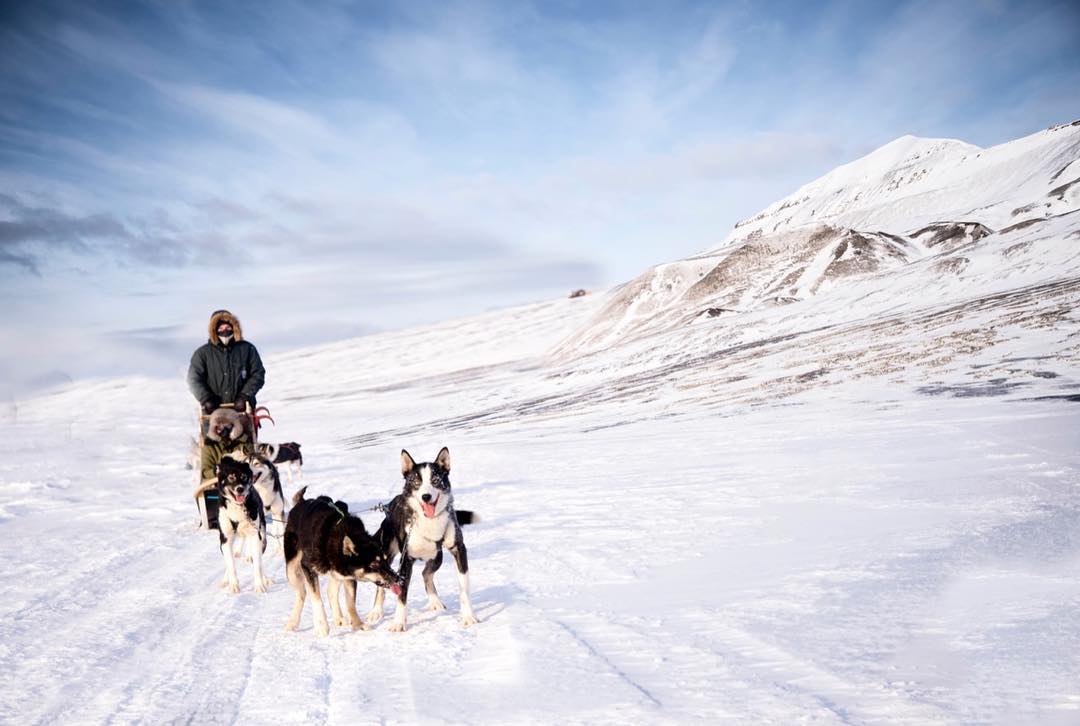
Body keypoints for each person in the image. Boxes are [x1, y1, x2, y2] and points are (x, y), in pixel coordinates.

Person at [188, 310, 266, 484]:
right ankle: (213, 488)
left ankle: (249, 488)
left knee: (244, 449)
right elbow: (193, 378)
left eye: (228, 326)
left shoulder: (247, 349)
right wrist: (206, 398)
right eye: (220, 327)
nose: (225, 330)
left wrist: (245, 394)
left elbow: (258, 373)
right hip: (212, 414)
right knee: (213, 449)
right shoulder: (203, 354)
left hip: (241, 413)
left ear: (234, 327)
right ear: (214, 330)